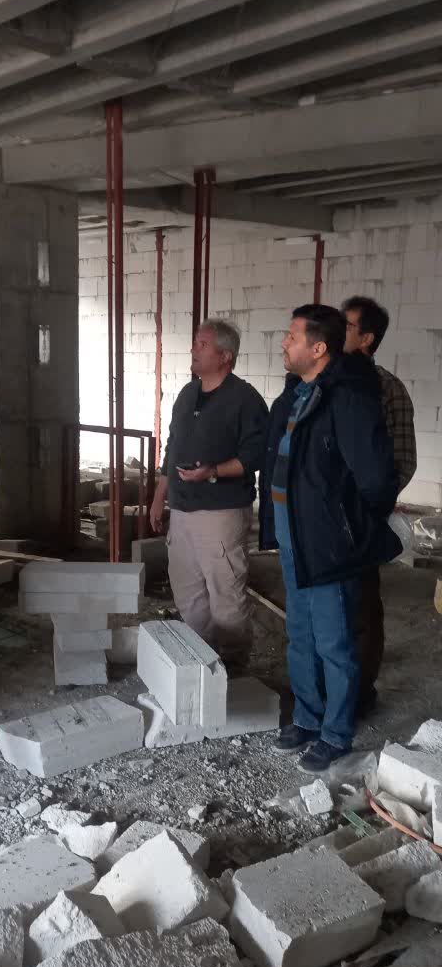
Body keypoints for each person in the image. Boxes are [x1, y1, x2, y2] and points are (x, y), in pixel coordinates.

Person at [259, 304, 401, 771]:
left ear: (318, 348)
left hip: (329, 545)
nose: (284, 343)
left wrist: (348, 528)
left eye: (292, 336)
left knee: (335, 643)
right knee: (300, 635)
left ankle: (336, 732)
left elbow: (377, 480)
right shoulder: (297, 393)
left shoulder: (349, 398)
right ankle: (307, 717)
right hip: (294, 538)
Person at [150, 318, 268, 667]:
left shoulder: (244, 399)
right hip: (182, 510)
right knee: (187, 592)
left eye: (202, 345)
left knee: (225, 592)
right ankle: (202, 664)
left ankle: (233, 667)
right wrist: (159, 496)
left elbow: (255, 455)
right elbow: (172, 448)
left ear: (225, 356)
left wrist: (213, 471)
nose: (193, 350)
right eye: (195, 344)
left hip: (221, 512)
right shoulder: (188, 394)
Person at [342, 294, 417, 712]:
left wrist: (369, 506)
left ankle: (360, 691)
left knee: (360, 604)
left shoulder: (387, 389)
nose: (337, 331)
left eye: (348, 326)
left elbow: (403, 461)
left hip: (361, 518)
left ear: (367, 338)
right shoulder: (322, 382)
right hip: (321, 518)